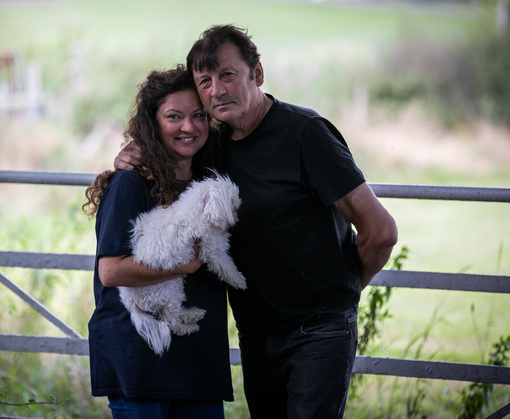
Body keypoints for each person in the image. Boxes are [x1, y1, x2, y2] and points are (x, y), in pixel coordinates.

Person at [114, 25, 398, 419]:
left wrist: (338, 299)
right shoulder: (211, 145)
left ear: (257, 74)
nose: (216, 90)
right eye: (205, 82)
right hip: (255, 334)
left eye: (228, 75)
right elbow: (170, 138)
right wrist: (135, 151)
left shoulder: (306, 135)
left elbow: (380, 232)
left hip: (317, 333)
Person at [83, 65, 233, 419]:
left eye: (199, 115)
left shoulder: (212, 184)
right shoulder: (130, 185)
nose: (188, 126)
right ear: (153, 124)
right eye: (173, 116)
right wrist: (188, 263)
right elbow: (111, 271)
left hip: (198, 366)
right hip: (143, 365)